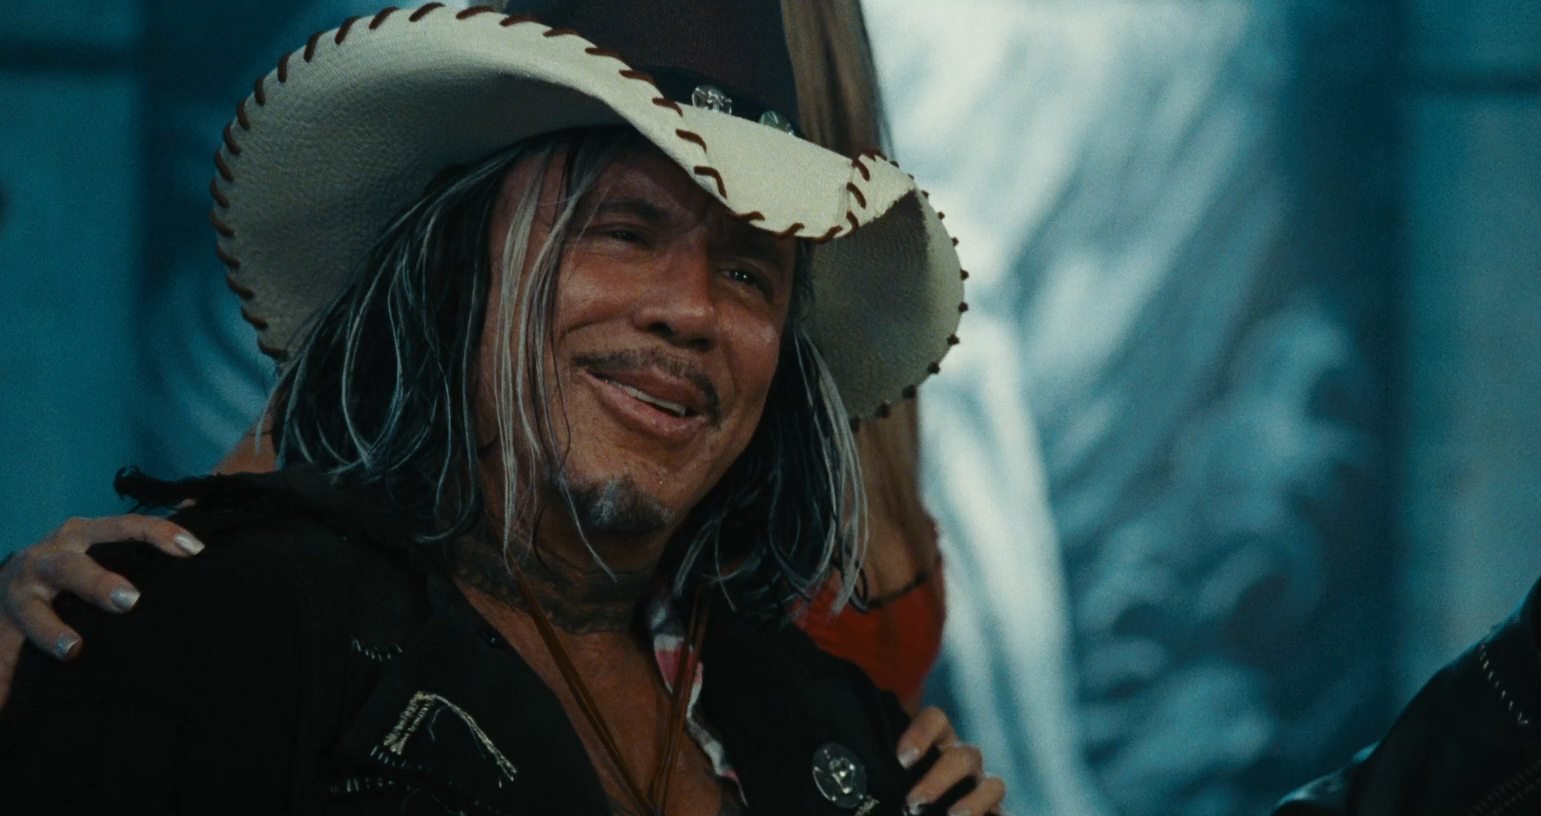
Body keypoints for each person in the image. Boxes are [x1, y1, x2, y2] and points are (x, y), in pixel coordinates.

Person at [0, 1, 1000, 814]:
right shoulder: (226, 629)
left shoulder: (836, 741)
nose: (692, 310)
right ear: (459, 267)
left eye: (748, 271)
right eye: (623, 231)